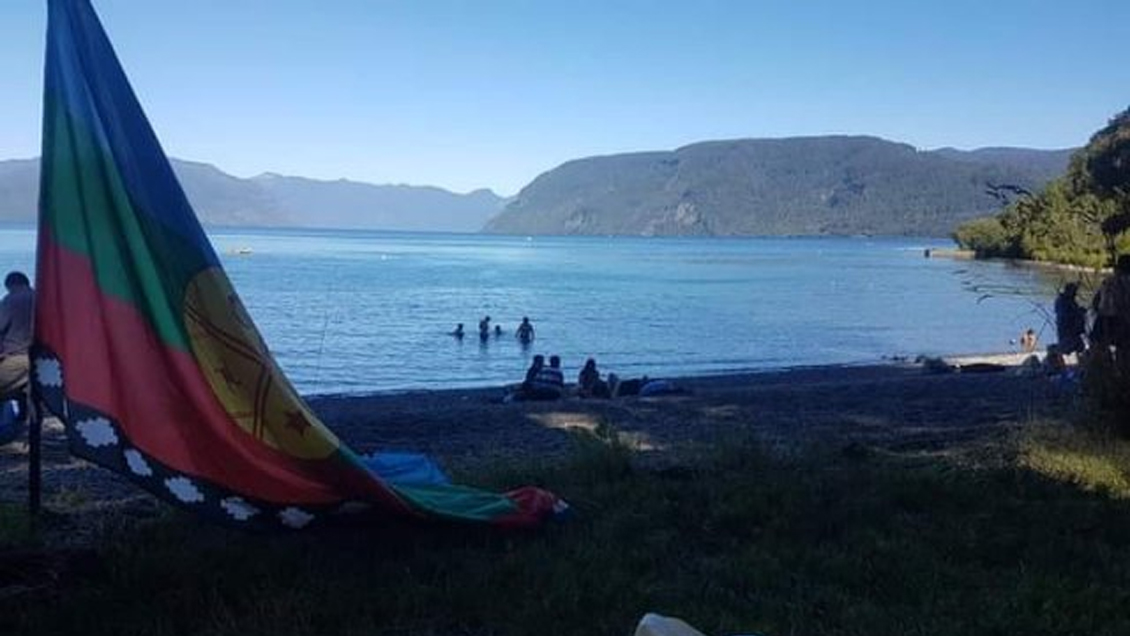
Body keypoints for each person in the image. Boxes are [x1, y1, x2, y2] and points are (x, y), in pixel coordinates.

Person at [0, 272, 34, 416]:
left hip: (16, 359)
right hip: (41, 359)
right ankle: (23, 415)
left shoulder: (10, 300)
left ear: (11, 285)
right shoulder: (42, 298)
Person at [1054, 282, 1087, 355]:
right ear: (1068, 291)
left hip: (1073, 331)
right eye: (1074, 292)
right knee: (1069, 347)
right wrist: (1079, 312)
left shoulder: (1069, 300)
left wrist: (1080, 311)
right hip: (1067, 330)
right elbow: (1065, 315)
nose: (1075, 294)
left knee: (1080, 347)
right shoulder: (1062, 301)